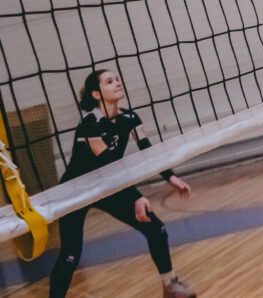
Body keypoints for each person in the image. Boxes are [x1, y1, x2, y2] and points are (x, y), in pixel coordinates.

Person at [49, 69, 196, 298]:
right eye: (110, 82)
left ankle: (170, 286)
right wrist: (136, 196)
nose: (118, 83)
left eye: (118, 79)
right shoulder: (90, 125)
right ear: (96, 94)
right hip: (76, 190)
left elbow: (147, 150)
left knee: (156, 229)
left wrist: (170, 177)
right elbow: (108, 164)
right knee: (70, 255)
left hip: (108, 185)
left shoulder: (130, 118)